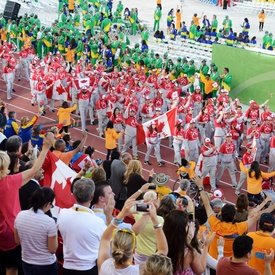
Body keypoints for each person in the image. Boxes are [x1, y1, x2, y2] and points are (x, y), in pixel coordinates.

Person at [0, 133, 54, 275]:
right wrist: (45, 148)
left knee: (9, 267)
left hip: (2, 236)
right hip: (12, 233)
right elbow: (34, 170)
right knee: (20, 266)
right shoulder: (9, 182)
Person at [193, 175, 275, 260]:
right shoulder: (238, 228)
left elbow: (206, 203)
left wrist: (200, 186)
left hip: (212, 259)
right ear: (234, 217)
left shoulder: (214, 223)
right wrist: (272, 207)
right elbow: (257, 216)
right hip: (228, 263)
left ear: (221, 214)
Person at [97, 184, 168, 274]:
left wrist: (121, 215)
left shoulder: (104, 264)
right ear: (133, 249)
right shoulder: (139, 271)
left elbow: (105, 238)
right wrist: (153, 218)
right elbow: (163, 251)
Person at [57, 178, 106, 275]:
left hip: (67, 269)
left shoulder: (62, 214)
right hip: (89, 269)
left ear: (74, 195)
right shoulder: (98, 222)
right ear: (91, 197)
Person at [14, 187, 58, 275]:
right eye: (51, 205)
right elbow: (52, 249)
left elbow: (17, 241)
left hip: (26, 262)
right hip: (46, 265)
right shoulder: (49, 222)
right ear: (47, 204)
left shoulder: (20, 215)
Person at [163, 209, 215, 274]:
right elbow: (200, 270)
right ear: (184, 230)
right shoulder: (190, 253)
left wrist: (197, 240)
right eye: (188, 226)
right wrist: (206, 246)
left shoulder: (162, 246)